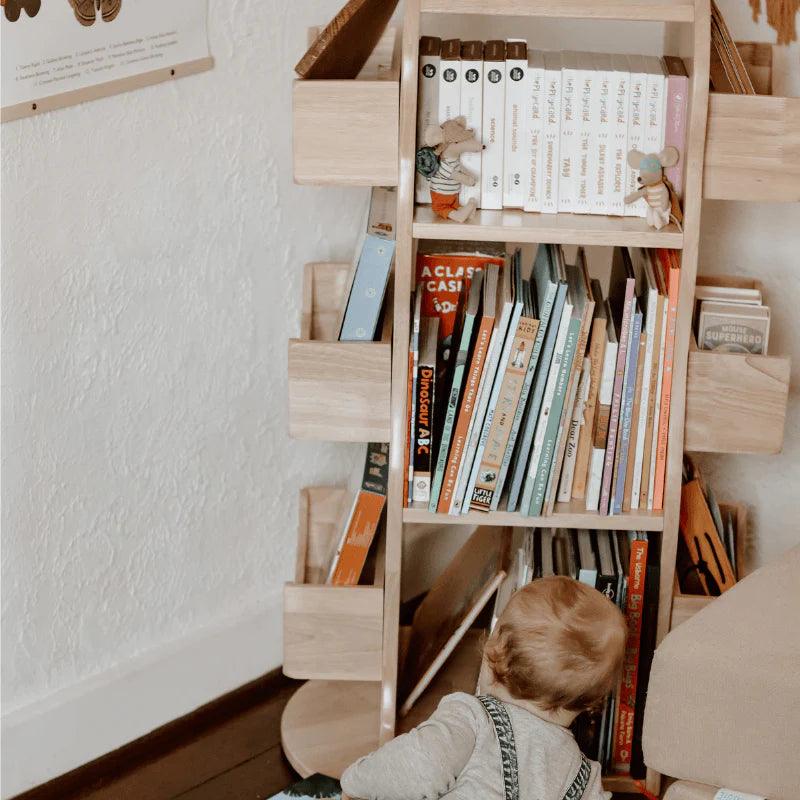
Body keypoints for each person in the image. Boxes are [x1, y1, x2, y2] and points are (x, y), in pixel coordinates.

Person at [341, 575, 627, 800]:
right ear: (592, 700)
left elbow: (418, 767)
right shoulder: (583, 776)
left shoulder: (474, 719)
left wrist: (355, 779)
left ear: (495, 652)